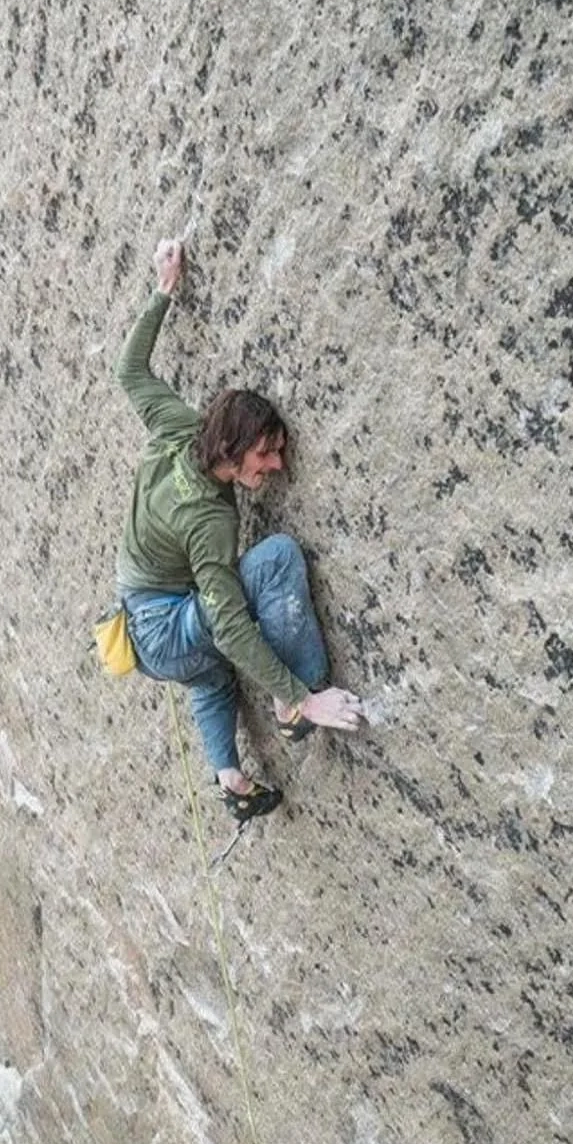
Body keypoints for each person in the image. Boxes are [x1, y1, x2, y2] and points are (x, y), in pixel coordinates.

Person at [114, 238, 362, 820]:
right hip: (165, 627)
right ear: (232, 448)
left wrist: (163, 291)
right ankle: (297, 703)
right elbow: (226, 623)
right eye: (265, 454)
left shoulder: (181, 427)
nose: (275, 466)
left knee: (211, 675)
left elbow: (129, 372)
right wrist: (303, 695)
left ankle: (232, 779)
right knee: (274, 558)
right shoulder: (210, 520)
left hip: (142, 626)